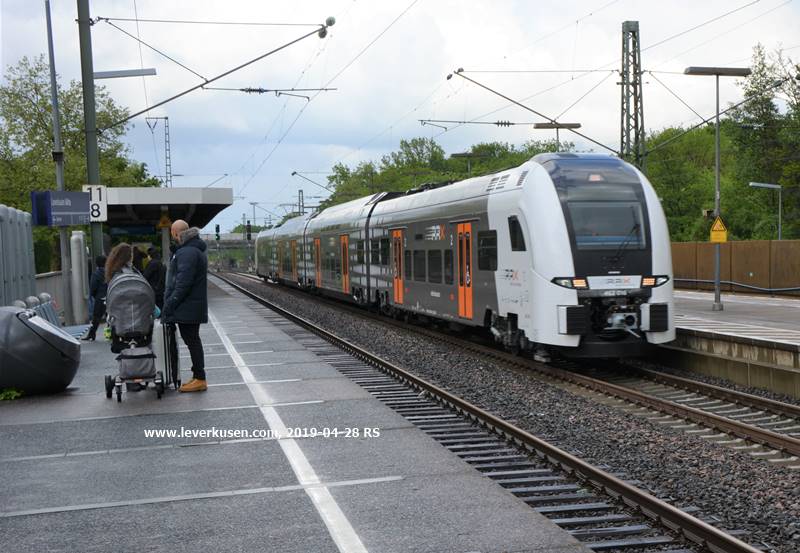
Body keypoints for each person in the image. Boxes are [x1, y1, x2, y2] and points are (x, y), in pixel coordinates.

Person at [163, 220, 209, 393]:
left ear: (175, 233)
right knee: (192, 340)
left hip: (187, 307)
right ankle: (198, 376)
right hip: (190, 307)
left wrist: (170, 304)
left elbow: (182, 283)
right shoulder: (190, 250)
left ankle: (199, 378)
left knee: (192, 341)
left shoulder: (187, 253)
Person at [83, 256, 107, 341]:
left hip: (100, 297)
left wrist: (94, 295)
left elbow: (93, 287)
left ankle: (92, 334)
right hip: (110, 296)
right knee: (111, 316)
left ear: (96, 263)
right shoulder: (110, 272)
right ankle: (113, 333)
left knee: (96, 317)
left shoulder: (96, 274)